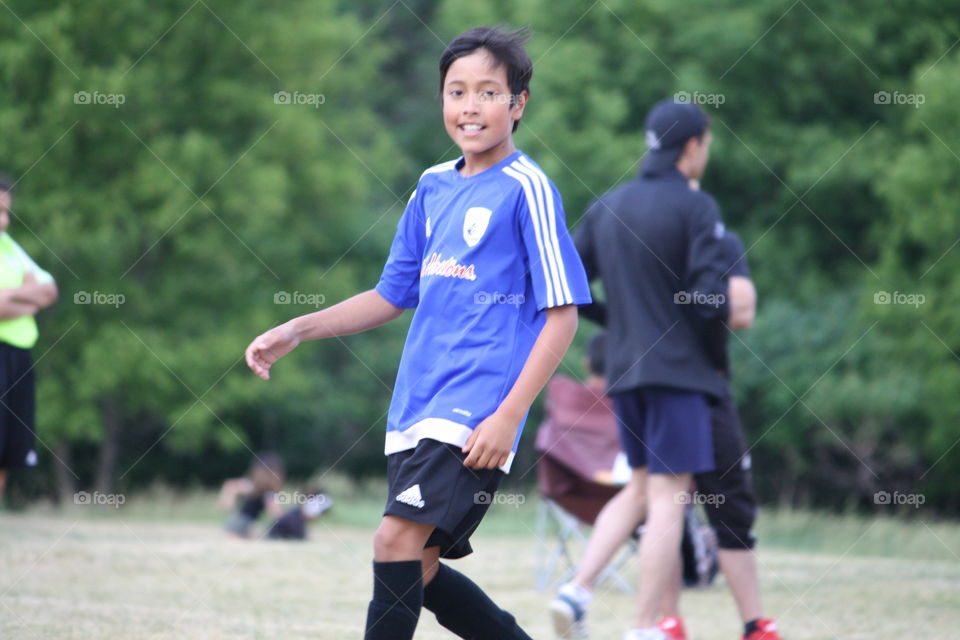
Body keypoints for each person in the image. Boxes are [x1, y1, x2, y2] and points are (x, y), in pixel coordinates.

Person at [245, 26, 591, 640]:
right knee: (418, 568)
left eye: (488, 92)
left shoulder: (528, 189)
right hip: (415, 405)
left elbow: (563, 313)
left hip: (475, 411)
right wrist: (299, 328)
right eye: (456, 92)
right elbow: (390, 296)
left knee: (392, 540)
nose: (470, 107)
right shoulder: (432, 186)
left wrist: (509, 415)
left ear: (518, 103)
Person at [556, 98, 732, 640]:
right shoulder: (697, 207)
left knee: (638, 489)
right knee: (670, 499)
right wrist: (715, 357)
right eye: (707, 144)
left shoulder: (608, 205)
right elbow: (710, 300)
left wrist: (617, 319)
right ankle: (644, 628)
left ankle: (576, 589)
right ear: (692, 146)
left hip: (625, 373)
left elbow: (565, 278)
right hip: (678, 374)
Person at [554, 226, 781, 640]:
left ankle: (585, 592)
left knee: (650, 493)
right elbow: (741, 312)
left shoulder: (630, 232)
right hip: (692, 383)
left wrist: (622, 318)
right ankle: (678, 625)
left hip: (637, 377)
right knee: (683, 499)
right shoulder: (707, 232)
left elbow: (567, 276)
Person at [0, 174, 58, 500]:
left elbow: (49, 291)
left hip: (17, 356)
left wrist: (9, 296)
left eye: (6, 212)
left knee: (8, 453)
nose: (4, 221)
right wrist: (27, 297)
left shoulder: (9, 247)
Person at [218, 451, 286, 538]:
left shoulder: (252, 486)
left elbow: (230, 485)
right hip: (241, 525)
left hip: (239, 524)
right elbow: (277, 512)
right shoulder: (265, 492)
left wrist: (228, 503)